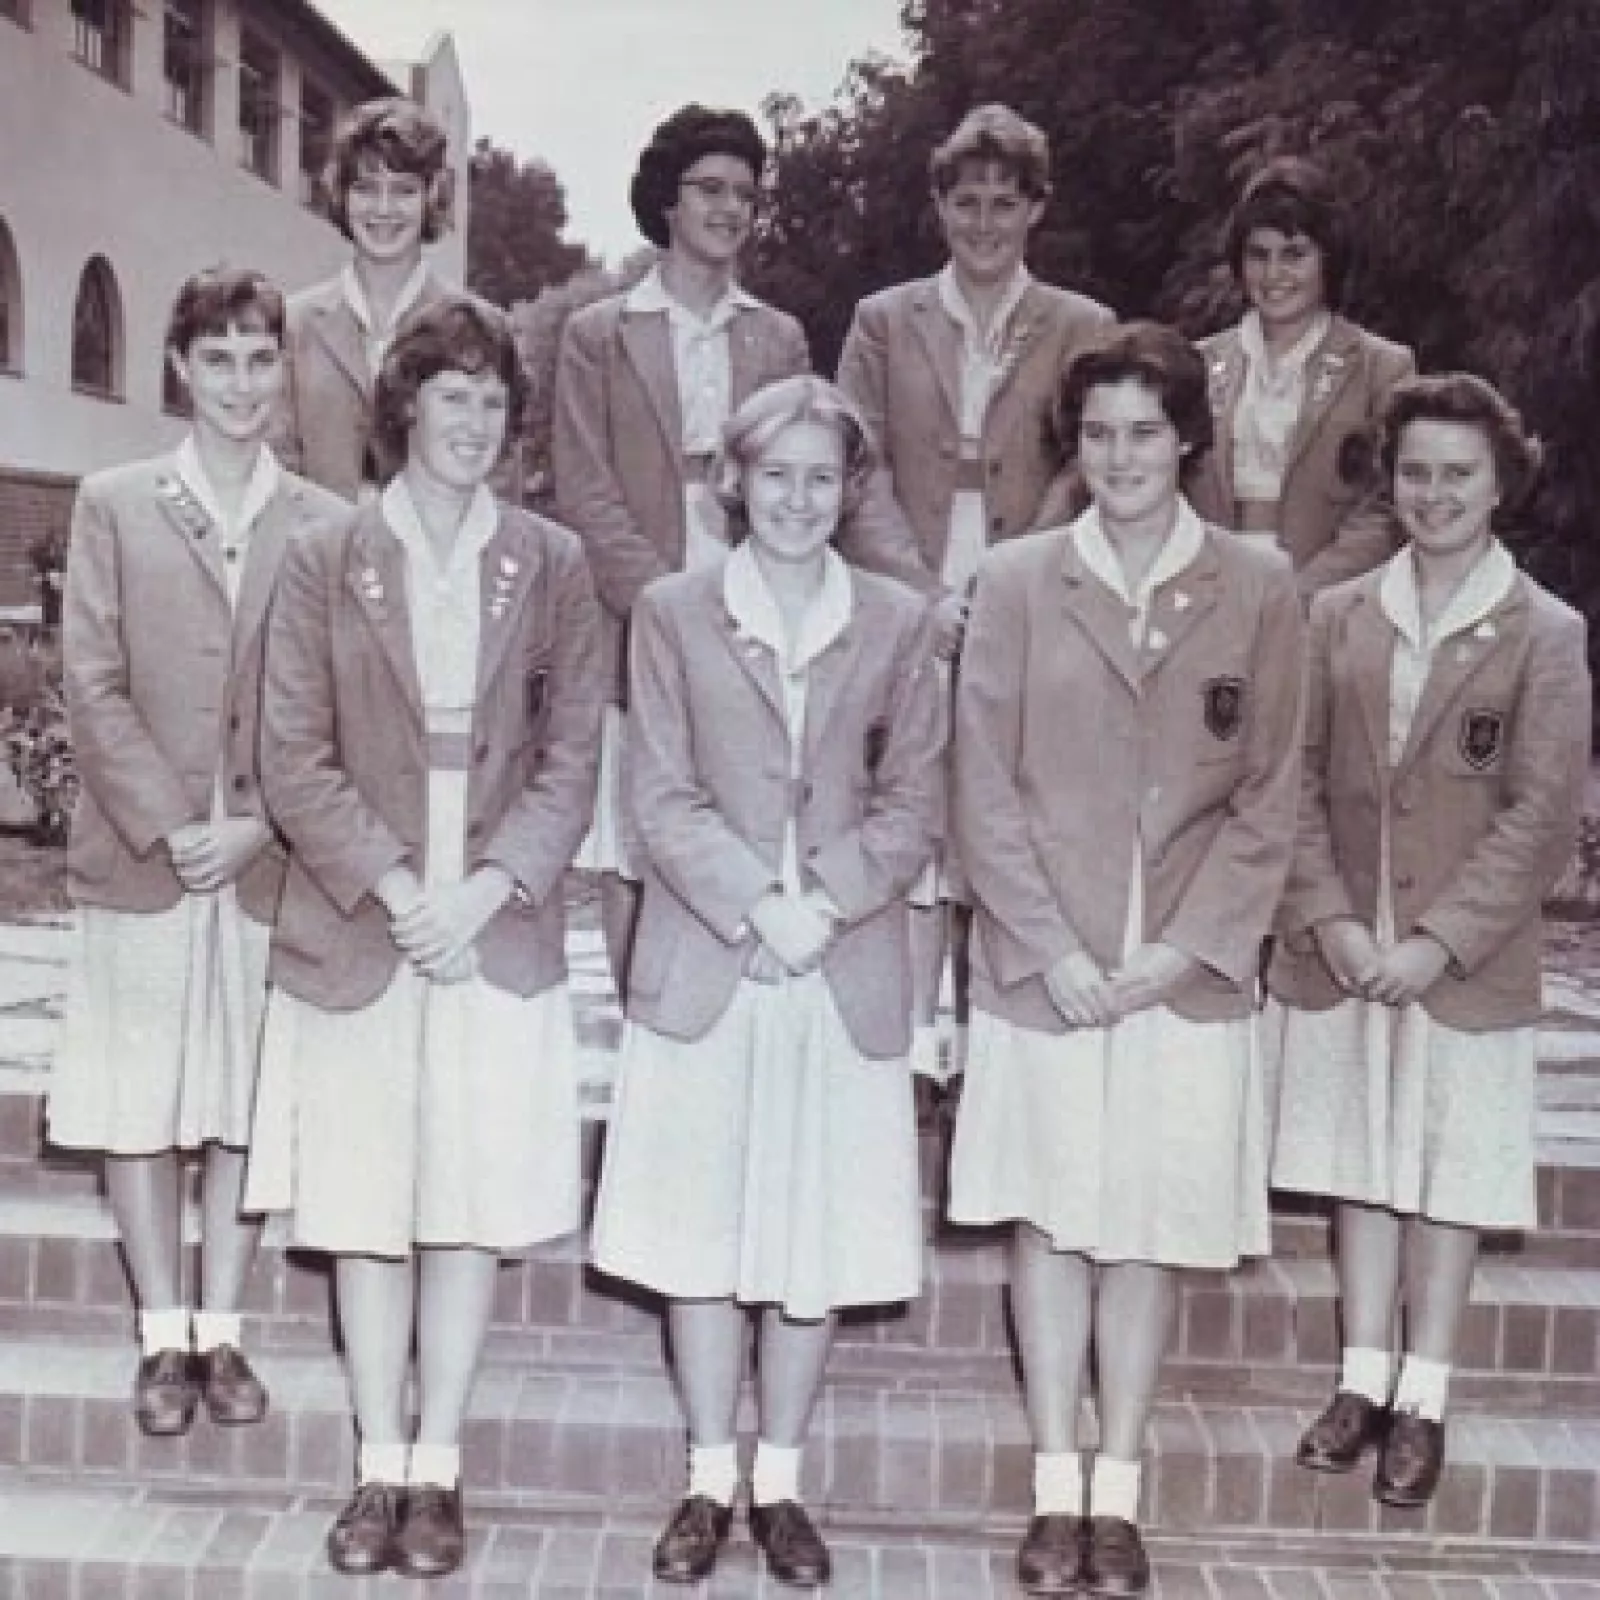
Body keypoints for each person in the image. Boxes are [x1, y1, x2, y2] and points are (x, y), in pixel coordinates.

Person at [245, 296, 603, 1579]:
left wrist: (487, 888)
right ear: (404, 410)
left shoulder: (551, 560)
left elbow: (572, 760)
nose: (475, 422)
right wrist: (403, 889)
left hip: (490, 933)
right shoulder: (324, 553)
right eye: (451, 397)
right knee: (366, 1207)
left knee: (460, 1207)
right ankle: (374, 1464)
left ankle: (439, 1467)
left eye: (494, 402)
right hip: (365, 928)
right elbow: (290, 756)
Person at [947, 323, 1305, 1596]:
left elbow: (1270, 793)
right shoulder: (1017, 577)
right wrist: (1047, 950)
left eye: (1144, 431)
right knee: (1052, 1220)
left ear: (1188, 439)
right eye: (1096, 433)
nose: (1119, 456)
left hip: (1181, 972)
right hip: (1049, 969)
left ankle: (1121, 1487)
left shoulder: (1259, 584)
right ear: (1073, 443)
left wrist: (1186, 949)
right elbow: (978, 780)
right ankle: (1054, 1488)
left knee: (1141, 1225)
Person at [590, 375, 943, 1588]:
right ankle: (704, 1474)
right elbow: (660, 795)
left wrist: (826, 904)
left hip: (839, 964)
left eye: (820, 476)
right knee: (700, 1231)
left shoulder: (900, 619)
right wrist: (755, 902)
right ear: (731, 481)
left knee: (814, 1231)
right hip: (711, 958)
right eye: (773, 474)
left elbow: (914, 801)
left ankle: (779, 1478)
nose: (796, 499)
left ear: (849, 490)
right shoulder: (673, 611)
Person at [1266, 374, 1589, 1509]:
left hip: (1461, 960)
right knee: (1360, 1160)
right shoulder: (1336, 612)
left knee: (1446, 1171)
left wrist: (1438, 942)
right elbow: (1290, 784)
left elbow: (1540, 814)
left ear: (1500, 481)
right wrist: (1335, 919)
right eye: (1414, 471)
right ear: (1388, 480)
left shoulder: (1546, 631)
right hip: (1348, 946)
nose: (1434, 493)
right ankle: (1358, 1379)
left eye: (1458, 473)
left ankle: (1424, 1397)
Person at [49, 266, 345, 1439]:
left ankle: (221, 1329)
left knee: (239, 1102)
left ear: (285, 371)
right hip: (144, 859)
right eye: (216, 358)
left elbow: (330, 699)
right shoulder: (116, 499)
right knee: (142, 1102)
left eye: (260, 358)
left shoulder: (321, 519)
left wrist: (261, 818)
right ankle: (159, 1334)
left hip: (265, 862)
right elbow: (91, 677)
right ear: (180, 366)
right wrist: (172, 825)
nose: (238, 383)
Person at [836, 103, 1113, 1109]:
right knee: (913, 805)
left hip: (1028, 598)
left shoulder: (1081, 325)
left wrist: (1005, 584)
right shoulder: (883, 318)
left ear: (1035, 208)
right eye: (966, 201)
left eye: (1005, 203)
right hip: (905, 593)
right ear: (938, 205)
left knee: (1004, 810)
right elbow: (850, 465)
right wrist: (919, 595)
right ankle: (911, 1037)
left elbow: (1091, 461)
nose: (985, 222)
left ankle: (991, 1030)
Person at [552, 104, 810, 996]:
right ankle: (641, 1024)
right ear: (667, 199)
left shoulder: (778, 337)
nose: (728, 207)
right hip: (638, 614)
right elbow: (584, 491)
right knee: (636, 836)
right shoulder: (600, 333)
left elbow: (798, 481)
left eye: (744, 192)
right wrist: (666, 608)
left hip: (755, 606)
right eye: (709, 188)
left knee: (740, 818)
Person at [1187, 156, 1416, 596]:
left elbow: (1388, 506)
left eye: (1294, 255)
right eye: (1259, 255)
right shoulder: (1197, 363)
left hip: (1329, 604)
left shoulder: (1382, 368)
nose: (1274, 275)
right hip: (1209, 601)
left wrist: (1302, 594)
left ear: (1327, 258)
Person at [277, 96, 457, 500]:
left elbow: (496, 486)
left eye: (404, 191)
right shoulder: (293, 324)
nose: (383, 209)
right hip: (317, 556)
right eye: (365, 189)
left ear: (432, 196)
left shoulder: (474, 326)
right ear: (341, 194)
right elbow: (275, 469)